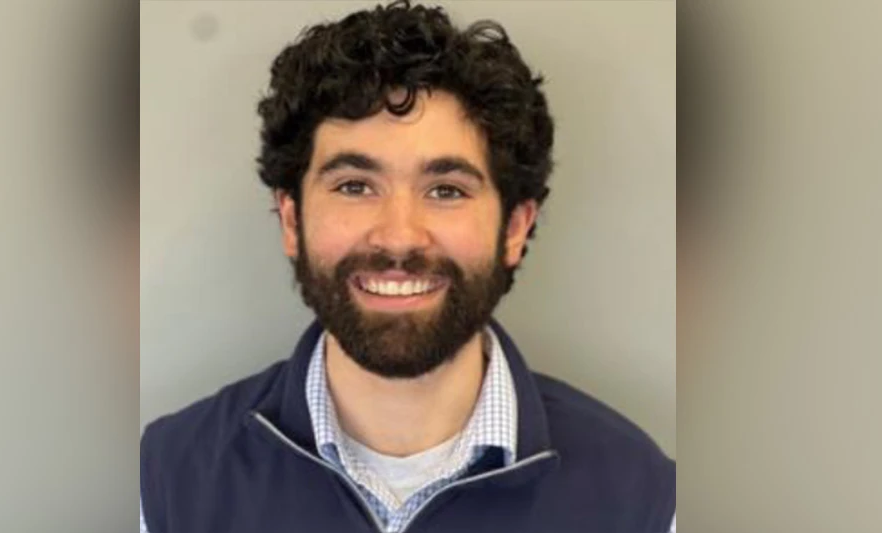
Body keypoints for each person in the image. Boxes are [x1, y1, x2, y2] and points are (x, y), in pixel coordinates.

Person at [140, 1, 675, 532]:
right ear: (291, 219)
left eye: (446, 190)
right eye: (354, 186)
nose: (398, 236)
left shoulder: (642, 500)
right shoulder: (165, 485)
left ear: (514, 227)